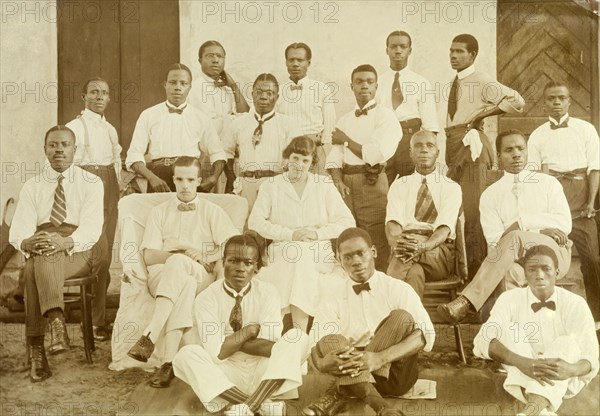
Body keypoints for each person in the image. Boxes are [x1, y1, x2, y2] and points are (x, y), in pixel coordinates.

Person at [438, 130, 572, 323]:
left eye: (520, 148)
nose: (516, 154)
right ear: (499, 156)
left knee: (515, 236)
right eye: (509, 150)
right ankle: (516, 336)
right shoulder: (491, 195)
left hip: (554, 253)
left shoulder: (548, 183)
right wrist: (540, 229)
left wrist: (521, 225)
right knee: (508, 273)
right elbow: (496, 242)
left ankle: (467, 300)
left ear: (527, 152)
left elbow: (564, 224)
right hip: (513, 262)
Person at [126, 156, 238, 388]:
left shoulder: (211, 211)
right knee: (183, 284)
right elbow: (149, 256)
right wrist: (180, 256)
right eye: (179, 179)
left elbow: (233, 244)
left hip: (201, 274)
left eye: (190, 179)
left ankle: (150, 335)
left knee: (184, 273)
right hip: (162, 275)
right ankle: (168, 364)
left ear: (198, 180)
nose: (185, 185)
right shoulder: (159, 212)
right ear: (173, 180)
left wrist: (208, 257)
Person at [173, 233, 308, 415]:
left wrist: (228, 342)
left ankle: (246, 408)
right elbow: (217, 354)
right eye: (234, 261)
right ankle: (262, 405)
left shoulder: (268, 292)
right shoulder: (206, 298)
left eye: (248, 263)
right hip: (227, 374)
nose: (240, 268)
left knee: (297, 337)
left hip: (265, 371)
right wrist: (247, 332)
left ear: (257, 268)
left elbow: (268, 347)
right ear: (223, 262)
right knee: (185, 355)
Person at [9, 125, 105, 382]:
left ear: (75, 150)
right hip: (44, 244)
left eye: (65, 145)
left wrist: (65, 242)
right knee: (34, 263)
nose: (59, 150)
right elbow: (19, 230)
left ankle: (37, 348)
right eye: (53, 145)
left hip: (78, 249)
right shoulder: (33, 185)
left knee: (39, 261)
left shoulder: (92, 182)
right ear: (45, 150)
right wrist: (27, 242)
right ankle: (55, 326)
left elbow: (92, 229)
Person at [304, 228, 434, 416]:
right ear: (340, 261)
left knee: (401, 317)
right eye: (347, 257)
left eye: (360, 253)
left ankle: (340, 392)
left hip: (394, 372)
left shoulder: (398, 288)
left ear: (373, 252)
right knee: (330, 339)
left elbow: (426, 335)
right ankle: (382, 407)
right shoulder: (332, 295)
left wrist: (379, 358)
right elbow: (316, 344)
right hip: (350, 365)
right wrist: (322, 364)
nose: (356, 261)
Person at [473, 245, 599, 415]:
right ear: (525, 274)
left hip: (563, 378)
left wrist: (571, 369)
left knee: (567, 342)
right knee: (509, 329)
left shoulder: (575, 303)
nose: (539, 275)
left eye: (546, 269)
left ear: (557, 272)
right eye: (532, 269)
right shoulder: (509, 299)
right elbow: (482, 341)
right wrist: (522, 362)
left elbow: (590, 356)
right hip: (520, 368)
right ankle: (539, 411)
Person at [248, 136, 355, 333]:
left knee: (302, 259)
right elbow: (255, 222)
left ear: (312, 164)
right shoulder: (271, 186)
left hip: (317, 251)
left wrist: (316, 234)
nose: (299, 165)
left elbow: (347, 222)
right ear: (287, 158)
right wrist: (290, 234)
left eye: (305, 161)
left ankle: (298, 332)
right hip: (282, 248)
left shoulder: (324, 185)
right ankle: (275, 330)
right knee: (295, 258)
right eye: (295, 158)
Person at [444, 33, 525, 277]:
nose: (454, 56)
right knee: (450, 208)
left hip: (473, 150)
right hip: (455, 146)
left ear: (473, 55)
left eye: (460, 51)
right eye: (451, 51)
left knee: (474, 213)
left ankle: (480, 278)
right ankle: (461, 273)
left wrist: (483, 115)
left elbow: (517, 101)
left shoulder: (481, 80)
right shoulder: (454, 81)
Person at [528, 82, 600, 323]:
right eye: (551, 99)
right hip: (553, 208)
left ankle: (596, 318)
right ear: (544, 102)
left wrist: (591, 203)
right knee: (545, 260)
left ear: (569, 101)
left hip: (581, 207)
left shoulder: (586, 129)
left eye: (561, 98)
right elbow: (535, 177)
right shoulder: (538, 135)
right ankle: (547, 316)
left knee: (593, 260)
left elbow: (594, 169)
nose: (556, 103)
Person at [326, 64, 402, 271]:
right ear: (352, 87)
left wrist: (346, 141)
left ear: (377, 86)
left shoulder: (386, 116)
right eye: (359, 82)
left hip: (372, 181)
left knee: (374, 233)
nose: (364, 86)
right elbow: (335, 156)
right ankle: (349, 285)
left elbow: (375, 155)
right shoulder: (345, 119)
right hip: (346, 184)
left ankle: (378, 283)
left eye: (369, 82)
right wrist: (337, 181)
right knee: (346, 233)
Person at [65, 77, 121, 341]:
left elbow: (116, 162)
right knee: (96, 253)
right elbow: (65, 166)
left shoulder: (110, 129)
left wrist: (119, 188)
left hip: (110, 187)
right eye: (94, 92)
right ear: (83, 96)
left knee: (105, 254)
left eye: (105, 93)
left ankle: (97, 321)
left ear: (109, 98)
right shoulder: (74, 127)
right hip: (87, 187)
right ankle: (93, 321)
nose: (100, 97)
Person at [125, 63, 226, 193]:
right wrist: (152, 178)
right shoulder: (148, 115)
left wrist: (214, 177)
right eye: (173, 82)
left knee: (189, 212)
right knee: (159, 213)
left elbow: (217, 152)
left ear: (190, 87)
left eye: (183, 83)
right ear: (165, 84)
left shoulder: (201, 117)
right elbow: (134, 154)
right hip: (159, 177)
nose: (178, 88)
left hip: (190, 176)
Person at [385, 131, 461, 298]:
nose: (424, 150)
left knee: (403, 257)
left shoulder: (451, 187)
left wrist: (421, 246)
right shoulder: (399, 185)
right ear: (410, 153)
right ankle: (413, 321)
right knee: (414, 273)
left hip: (437, 252)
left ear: (437, 153)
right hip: (406, 247)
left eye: (430, 146)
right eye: (418, 146)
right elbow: (392, 225)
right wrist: (401, 243)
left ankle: (383, 307)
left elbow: (443, 230)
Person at [221, 73, 299, 211]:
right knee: (245, 226)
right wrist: (231, 177)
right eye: (259, 92)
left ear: (277, 97)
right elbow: (225, 151)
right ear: (252, 94)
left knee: (271, 225)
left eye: (270, 93)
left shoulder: (289, 125)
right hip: (245, 184)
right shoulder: (239, 123)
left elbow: (296, 158)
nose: (263, 97)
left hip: (274, 184)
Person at [376, 30, 439, 185]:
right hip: (385, 142)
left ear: (410, 50)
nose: (398, 51)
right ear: (387, 50)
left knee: (413, 189)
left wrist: (425, 153)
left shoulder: (421, 82)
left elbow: (430, 125)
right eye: (393, 47)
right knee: (381, 190)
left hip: (411, 141)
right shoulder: (378, 82)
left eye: (403, 47)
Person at [190, 40, 250, 193]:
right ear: (200, 60)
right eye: (210, 56)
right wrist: (234, 120)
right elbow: (209, 127)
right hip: (208, 156)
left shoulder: (227, 87)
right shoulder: (197, 87)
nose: (215, 60)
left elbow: (246, 115)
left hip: (229, 155)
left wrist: (234, 86)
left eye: (220, 56)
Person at [277, 42, 336, 176]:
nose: (295, 64)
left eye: (300, 60)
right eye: (291, 60)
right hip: (288, 153)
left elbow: (329, 129)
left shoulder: (322, 89)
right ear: (286, 62)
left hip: (315, 151)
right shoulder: (277, 91)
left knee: (316, 191)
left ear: (308, 63)